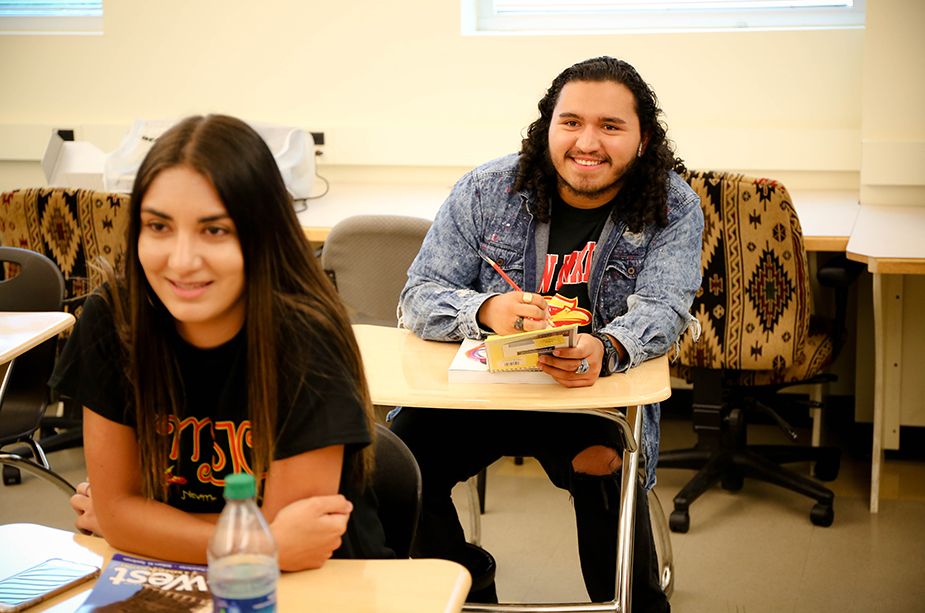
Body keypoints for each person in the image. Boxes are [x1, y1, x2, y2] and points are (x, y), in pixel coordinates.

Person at [391, 57, 703, 610]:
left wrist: (605, 348)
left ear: (643, 138)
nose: (588, 142)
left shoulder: (672, 206)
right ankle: (467, 581)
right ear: (547, 128)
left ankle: (636, 604)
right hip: (482, 393)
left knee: (604, 470)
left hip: (587, 397)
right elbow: (418, 296)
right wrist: (488, 309)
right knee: (391, 466)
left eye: (611, 126)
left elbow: (664, 308)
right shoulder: (488, 190)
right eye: (571, 122)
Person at [50, 115, 392, 569]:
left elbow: (296, 545)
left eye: (215, 230)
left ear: (261, 233)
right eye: (158, 227)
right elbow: (119, 516)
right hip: (171, 573)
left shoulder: (307, 336)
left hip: (323, 582)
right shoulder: (114, 318)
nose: (182, 260)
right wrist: (258, 543)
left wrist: (143, 523)